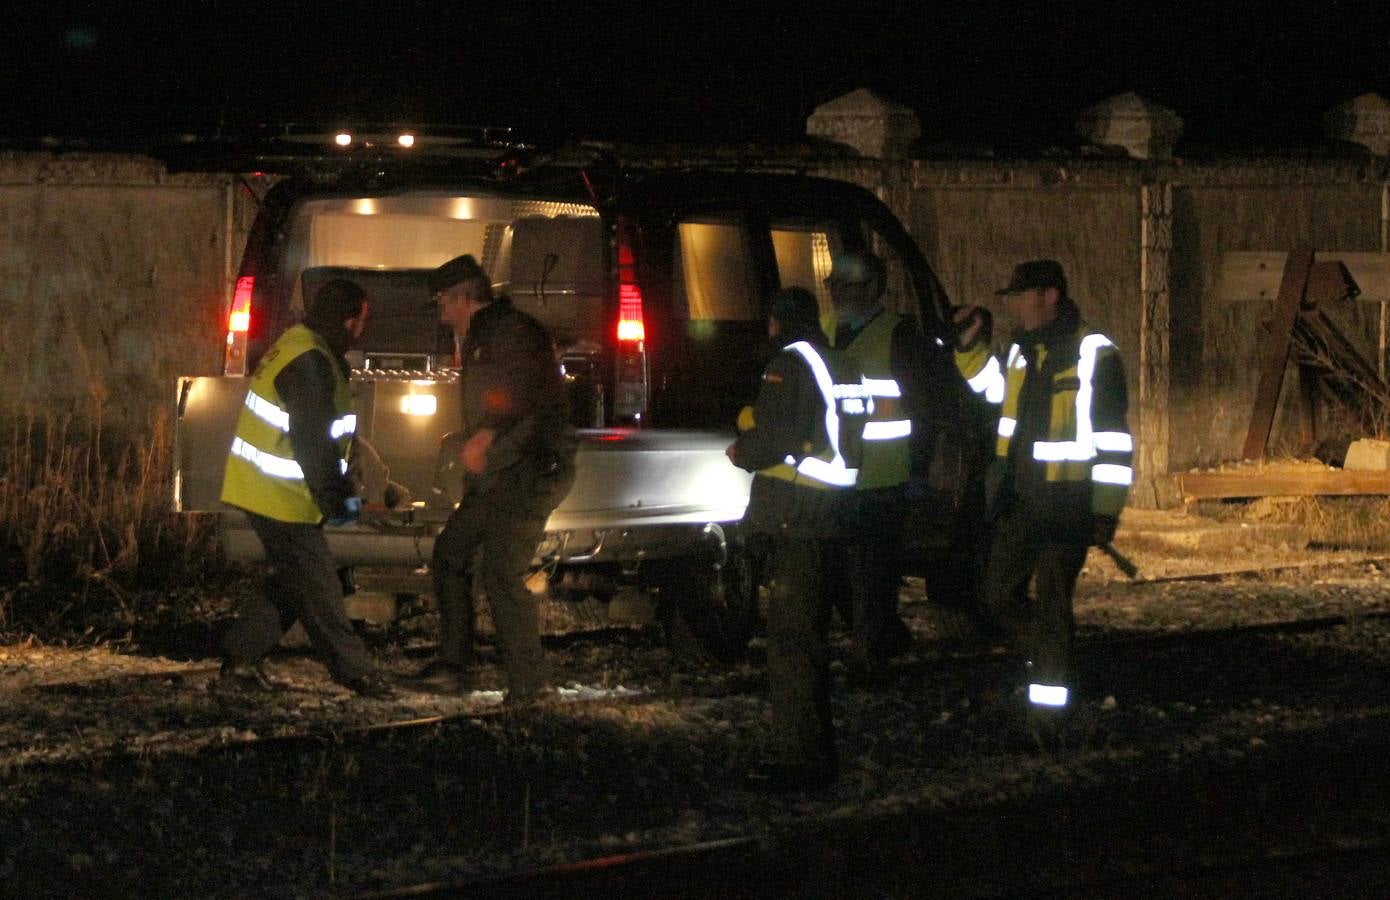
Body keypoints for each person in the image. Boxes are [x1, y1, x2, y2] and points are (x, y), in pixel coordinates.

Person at [951, 259, 1132, 730]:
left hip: (1069, 503)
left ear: (1050, 296)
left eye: (1020, 295)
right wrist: (970, 351)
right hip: (1021, 499)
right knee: (996, 594)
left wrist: (1105, 511)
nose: (1012, 304)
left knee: (1052, 600)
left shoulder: (1094, 354)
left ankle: (1050, 711)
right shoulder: (1020, 351)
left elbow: (1114, 442)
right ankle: (1056, 664)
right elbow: (992, 394)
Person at [405, 254, 577, 703]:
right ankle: (454, 667)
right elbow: (499, 400)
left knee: (501, 574)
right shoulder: (487, 334)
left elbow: (523, 399)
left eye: (443, 301)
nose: (441, 311)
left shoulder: (510, 333)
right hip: (504, 471)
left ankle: (530, 686)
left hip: (530, 472)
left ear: (463, 297)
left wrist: (486, 437)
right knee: (451, 553)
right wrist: (468, 438)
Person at [218, 279, 394, 698]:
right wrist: (339, 501)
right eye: (362, 321)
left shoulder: (302, 347)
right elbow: (313, 444)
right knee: (319, 586)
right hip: (280, 497)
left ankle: (239, 661)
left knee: (293, 582)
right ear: (347, 320)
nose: (363, 330)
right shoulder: (310, 362)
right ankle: (356, 674)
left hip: (270, 491)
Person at [728, 287, 868, 791]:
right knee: (811, 640)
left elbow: (776, 438)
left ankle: (801, 763)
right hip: (833, 516)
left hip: (796, 519)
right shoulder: (843, 363)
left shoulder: (789, 363)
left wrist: (742, 447)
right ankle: (815, 752)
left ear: (775, 323)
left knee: (791, 645)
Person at [825, 250, 930, 686]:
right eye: (836, 287)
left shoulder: (900, 337)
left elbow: (924, 408)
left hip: (884, 479)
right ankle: (884, 639)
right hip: (839, 478)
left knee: (873, 576)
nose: (840, 296)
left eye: (849, 287)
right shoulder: (829, 333)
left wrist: (918, 472)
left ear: (872, 289)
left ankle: (871, 658)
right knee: (847, 576)